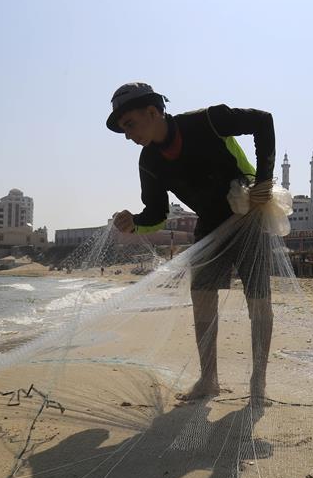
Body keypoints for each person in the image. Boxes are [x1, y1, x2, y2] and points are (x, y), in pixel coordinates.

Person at [107, 82, 275, 406]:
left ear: (153, 112)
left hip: (247, 213)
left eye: (129, 124)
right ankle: (209, 379)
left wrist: (264, 180)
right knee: (201, 299)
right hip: (211, 224)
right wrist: (135, 222)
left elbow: (262, 121)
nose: (128, 135)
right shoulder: (149, 163)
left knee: (258, 299)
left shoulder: (209, 121)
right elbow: (156, 214)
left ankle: (258, 381)